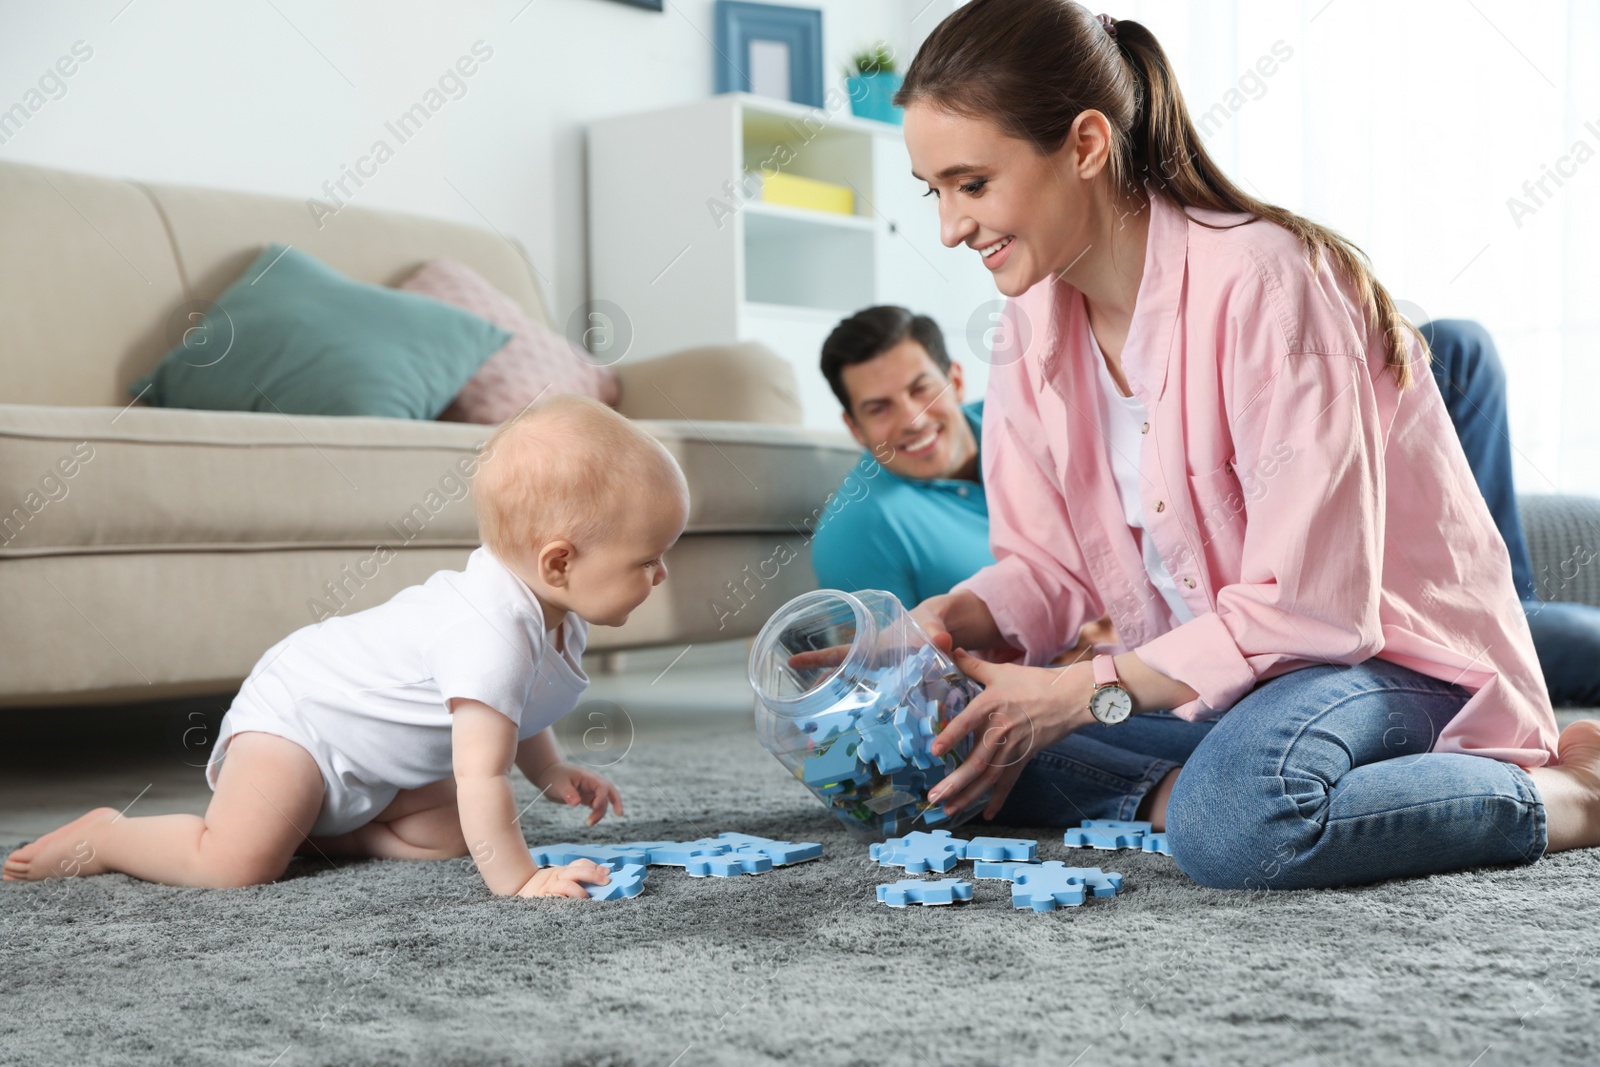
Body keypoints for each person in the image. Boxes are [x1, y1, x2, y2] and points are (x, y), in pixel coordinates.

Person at [885, 0, 1600, 890]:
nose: (951, 227)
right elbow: (1056, 570)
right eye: (935, 192)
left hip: (1390, 659)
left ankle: (1567, 790)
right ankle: (1245, 788)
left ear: (1086, 144)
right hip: (1230, 680)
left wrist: (1084, 694)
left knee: (1239, 825)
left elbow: (1315, 612)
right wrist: (958, 620)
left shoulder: (1268, 281)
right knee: (928, 749)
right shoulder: (1027, 325)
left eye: (973, 184)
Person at [3, 395, 689, 899]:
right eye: (648, 559)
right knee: (237, 866)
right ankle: (108, 836)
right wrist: (520, 879)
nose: (661, 574)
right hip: (300, 720)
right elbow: (483, 773)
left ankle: (325, 833)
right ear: (558, 562)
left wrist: (551, 769)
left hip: (374, 761)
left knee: (450, 836)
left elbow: (519, 711)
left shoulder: (555, 613)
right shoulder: (487, 634)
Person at [813, 308, 1600, 703]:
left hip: (1242, 552)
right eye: (879, 409)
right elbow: (931, 672)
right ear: (851, 426)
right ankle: (1500, 624)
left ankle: (1496, 597)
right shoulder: (863, 530)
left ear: (953, 380)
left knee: (1453, 346)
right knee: (1537, 639)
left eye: (920, 389)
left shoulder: (1030, 412)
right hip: (1175, 632)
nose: (912, 420)